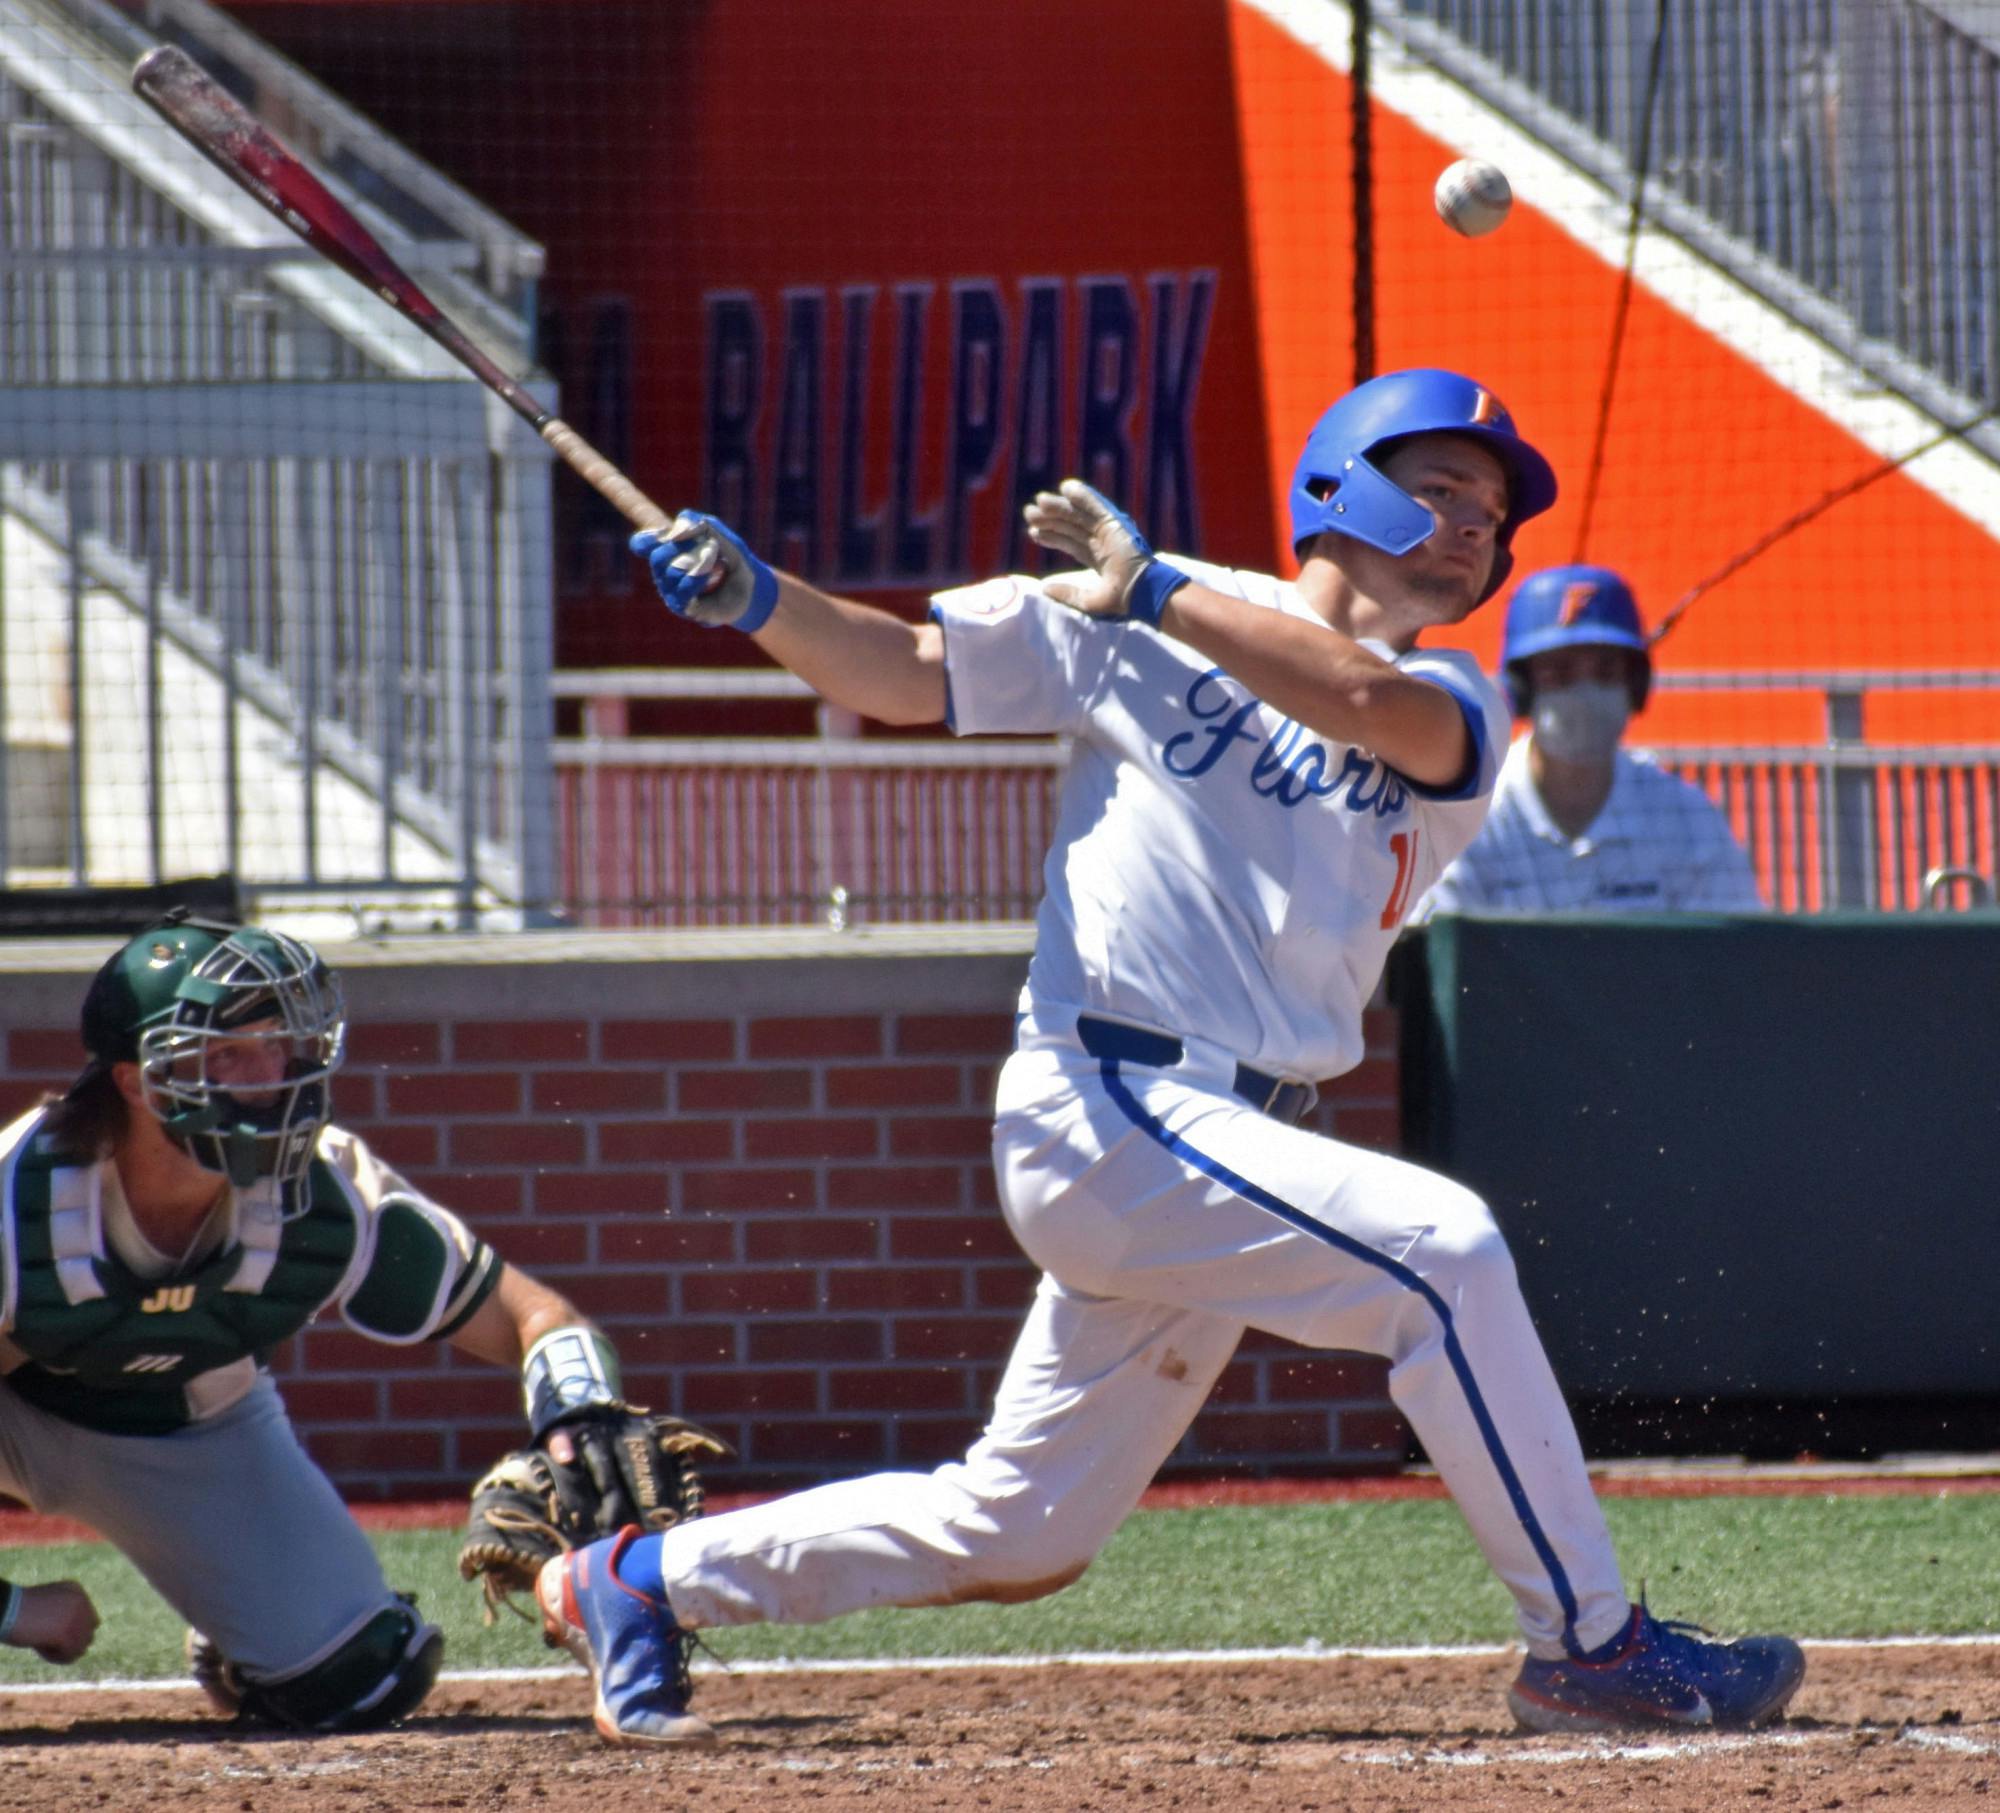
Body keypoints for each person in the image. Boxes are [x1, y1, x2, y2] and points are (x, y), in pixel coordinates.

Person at [540, 369, 1804, 1745]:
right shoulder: (1129, 603)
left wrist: (1150, 592)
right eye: (1442, 489)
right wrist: (760, 598)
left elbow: (1368, 700)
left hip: (1222, 1139)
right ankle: (1592, 1648)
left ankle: (641, 1576)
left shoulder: (1440, 695)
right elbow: (902, 674)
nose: (1472, 528)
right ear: (1344, 485)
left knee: (1018, 1527)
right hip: (1107, 1099)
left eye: (1490, 513)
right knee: (1445, 1252)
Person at [0, 912, 644, 1730]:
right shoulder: (19, 1205)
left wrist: (580, 1408)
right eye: (229, 1051)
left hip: (187, 1425)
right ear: (137, 1080)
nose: (268, 1074)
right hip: (14, 1413)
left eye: (278, 1044)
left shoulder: (323, 1190)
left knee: (362, 1672)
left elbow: (529, 1313)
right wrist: (15, 1609)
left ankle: (235, 1619)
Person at [1421, 565, 1766, 915]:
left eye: (1606, 672)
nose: (1585, 694)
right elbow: (1435, 947)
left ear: (1635, 685)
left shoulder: (1685, 818)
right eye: (1560, 673)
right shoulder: (1474, 814)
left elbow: (1737, 954)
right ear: (1523, 690)